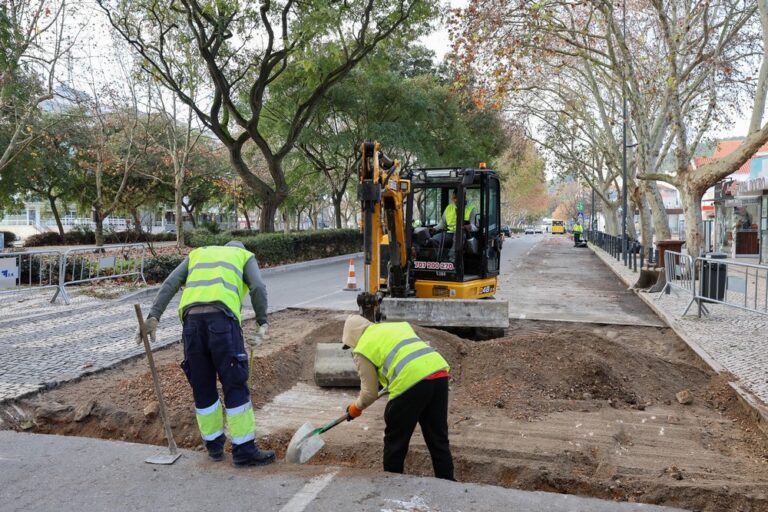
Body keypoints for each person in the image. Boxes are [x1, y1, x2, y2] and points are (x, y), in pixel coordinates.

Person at [135, 240, 274, 467]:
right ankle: (244, 451)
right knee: (234, 383)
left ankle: (214, 446)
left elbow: (170, 283)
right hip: (222, 322)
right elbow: (258, 287)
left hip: (191, 325)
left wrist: (153, 317)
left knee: (202, 385)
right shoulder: (243, 256)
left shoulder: (198, 254)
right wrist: (262, 322)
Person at [341, 314, 454, 480]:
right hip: (438, 373)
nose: (352, 348)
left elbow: (369, 393)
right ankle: (448, 483)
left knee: (395, 441)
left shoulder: (362, 348)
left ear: (352, 337)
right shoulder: (396, 326)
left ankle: (392, 484)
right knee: (438, 438)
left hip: (411, 381)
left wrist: (355, 408)